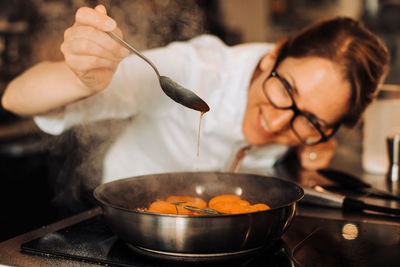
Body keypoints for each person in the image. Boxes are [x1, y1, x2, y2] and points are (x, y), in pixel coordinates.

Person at [1, 5, 390, 184]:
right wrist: (82, 78)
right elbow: (17, 97)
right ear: (275, 52)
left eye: (312, 121)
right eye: (285, 89)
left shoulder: (310, 132)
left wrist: (310, 148)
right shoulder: (194, 69)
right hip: (119, 226)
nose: (275, 122)